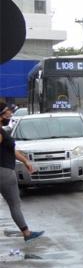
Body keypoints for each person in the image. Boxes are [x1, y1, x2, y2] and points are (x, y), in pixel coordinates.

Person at [0, 104, 44, 242]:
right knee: (14, 204)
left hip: (4, 170)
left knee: (14, 204)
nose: (10, 115)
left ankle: (27, 232)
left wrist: (25, 161)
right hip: (4, 171)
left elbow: (11, 151)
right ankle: (27, 233)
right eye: (7, 112)